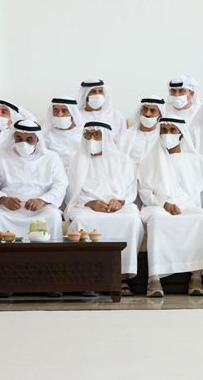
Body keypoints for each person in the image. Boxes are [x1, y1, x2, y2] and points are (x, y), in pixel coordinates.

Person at [138, 118, 203, 297]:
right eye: (163, 130)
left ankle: (196, 277)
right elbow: (145, 192)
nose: (167, 134)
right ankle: (154, 278)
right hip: (159, 207)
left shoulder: (195, 160)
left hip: (189, 206)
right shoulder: (149, 161)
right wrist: (164, 203)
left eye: (172, 130)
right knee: (157, 220)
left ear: (181, 134)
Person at [66, 122, 143, 295]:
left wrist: (120, 201)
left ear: (106, 138)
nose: (92, 139)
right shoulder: (76, 161)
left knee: (131, 219)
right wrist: (90, 202)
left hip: (118, 207)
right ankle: (88, 278)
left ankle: (121, 277)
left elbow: (131, 189)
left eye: (97, 135)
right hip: (87, 207)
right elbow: (72, 192)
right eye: (88, 135)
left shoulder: (124, 160)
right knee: (81, 221)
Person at [0, 120, 68, 241]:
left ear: (37, 139)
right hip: (8, 209)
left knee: (53, 216)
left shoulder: (51, 158)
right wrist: (3, 199)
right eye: (19, 138)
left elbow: (61, 185)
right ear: (13, 137)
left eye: (29, 139)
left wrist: (42, 200)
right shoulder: (0, 156)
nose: (23, 143)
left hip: (41, 209)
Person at [118, 97, 165, 162]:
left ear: (160, 115)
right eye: (145, 109)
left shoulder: (164, 136)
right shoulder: (127, 135)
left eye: (153, 110)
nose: (147, 114)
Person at [43, 96, 84, 166]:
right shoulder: (46, 135)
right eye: (56, 111)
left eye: (64, 111)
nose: (59, 114)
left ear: (72, 113)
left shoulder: (85, 133)